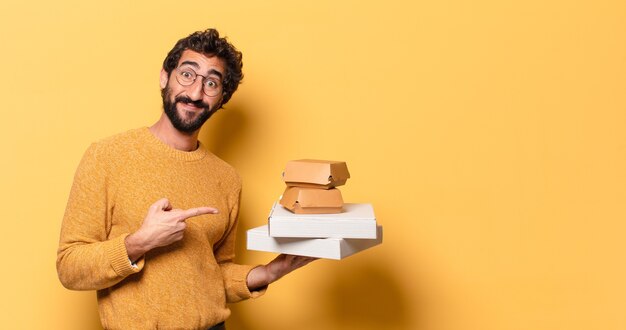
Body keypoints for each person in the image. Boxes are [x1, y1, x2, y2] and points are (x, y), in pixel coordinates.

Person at [56, 28, 316, 330]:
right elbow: (69, 267)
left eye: (211, 83)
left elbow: (212, 273)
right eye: (188, 75)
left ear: (221, 99)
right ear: (165, 77)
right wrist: (138, 243)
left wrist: (270, 272)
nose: (195, 93)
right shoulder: (107, 156)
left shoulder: (227, 179)